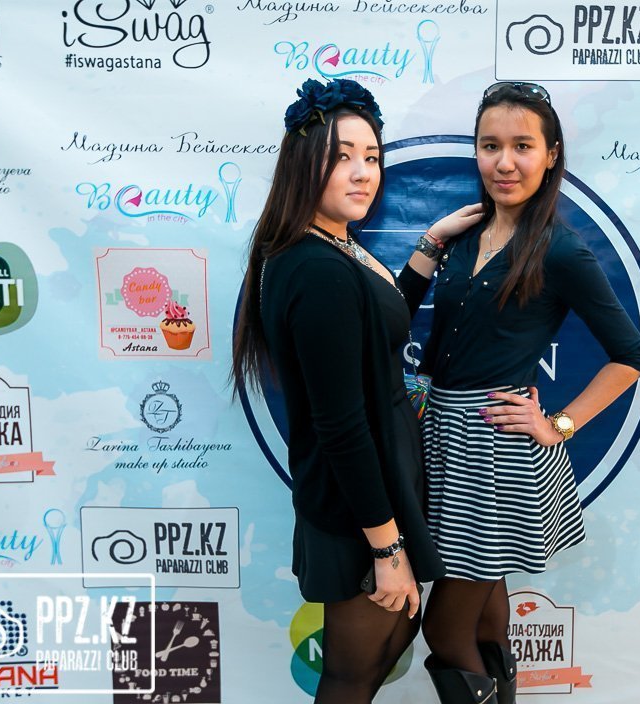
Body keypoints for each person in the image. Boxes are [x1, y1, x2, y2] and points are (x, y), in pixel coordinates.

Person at [398, 83, 640, 703]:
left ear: (550, 154)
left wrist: (559, 424)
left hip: (497, 450)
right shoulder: (465, 235)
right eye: (490, 146)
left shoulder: (561, 249)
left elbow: (631, 357)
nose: (504, 162)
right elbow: (399, 319)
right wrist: (432, 241)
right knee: (485, 613)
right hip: (445, 437)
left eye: (522, 146)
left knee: (444, 627)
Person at [231, 78, 445, 704]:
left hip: (373, 489)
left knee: (386, 646)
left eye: (372, 157)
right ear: (304, 164)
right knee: (353, 673)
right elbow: (341, 425)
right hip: (358, 504)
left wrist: (430, 246)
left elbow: (376, 324)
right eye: (342, 156)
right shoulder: (316, 267)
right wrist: (387, 546)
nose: (362, 173)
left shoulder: (329, 246)